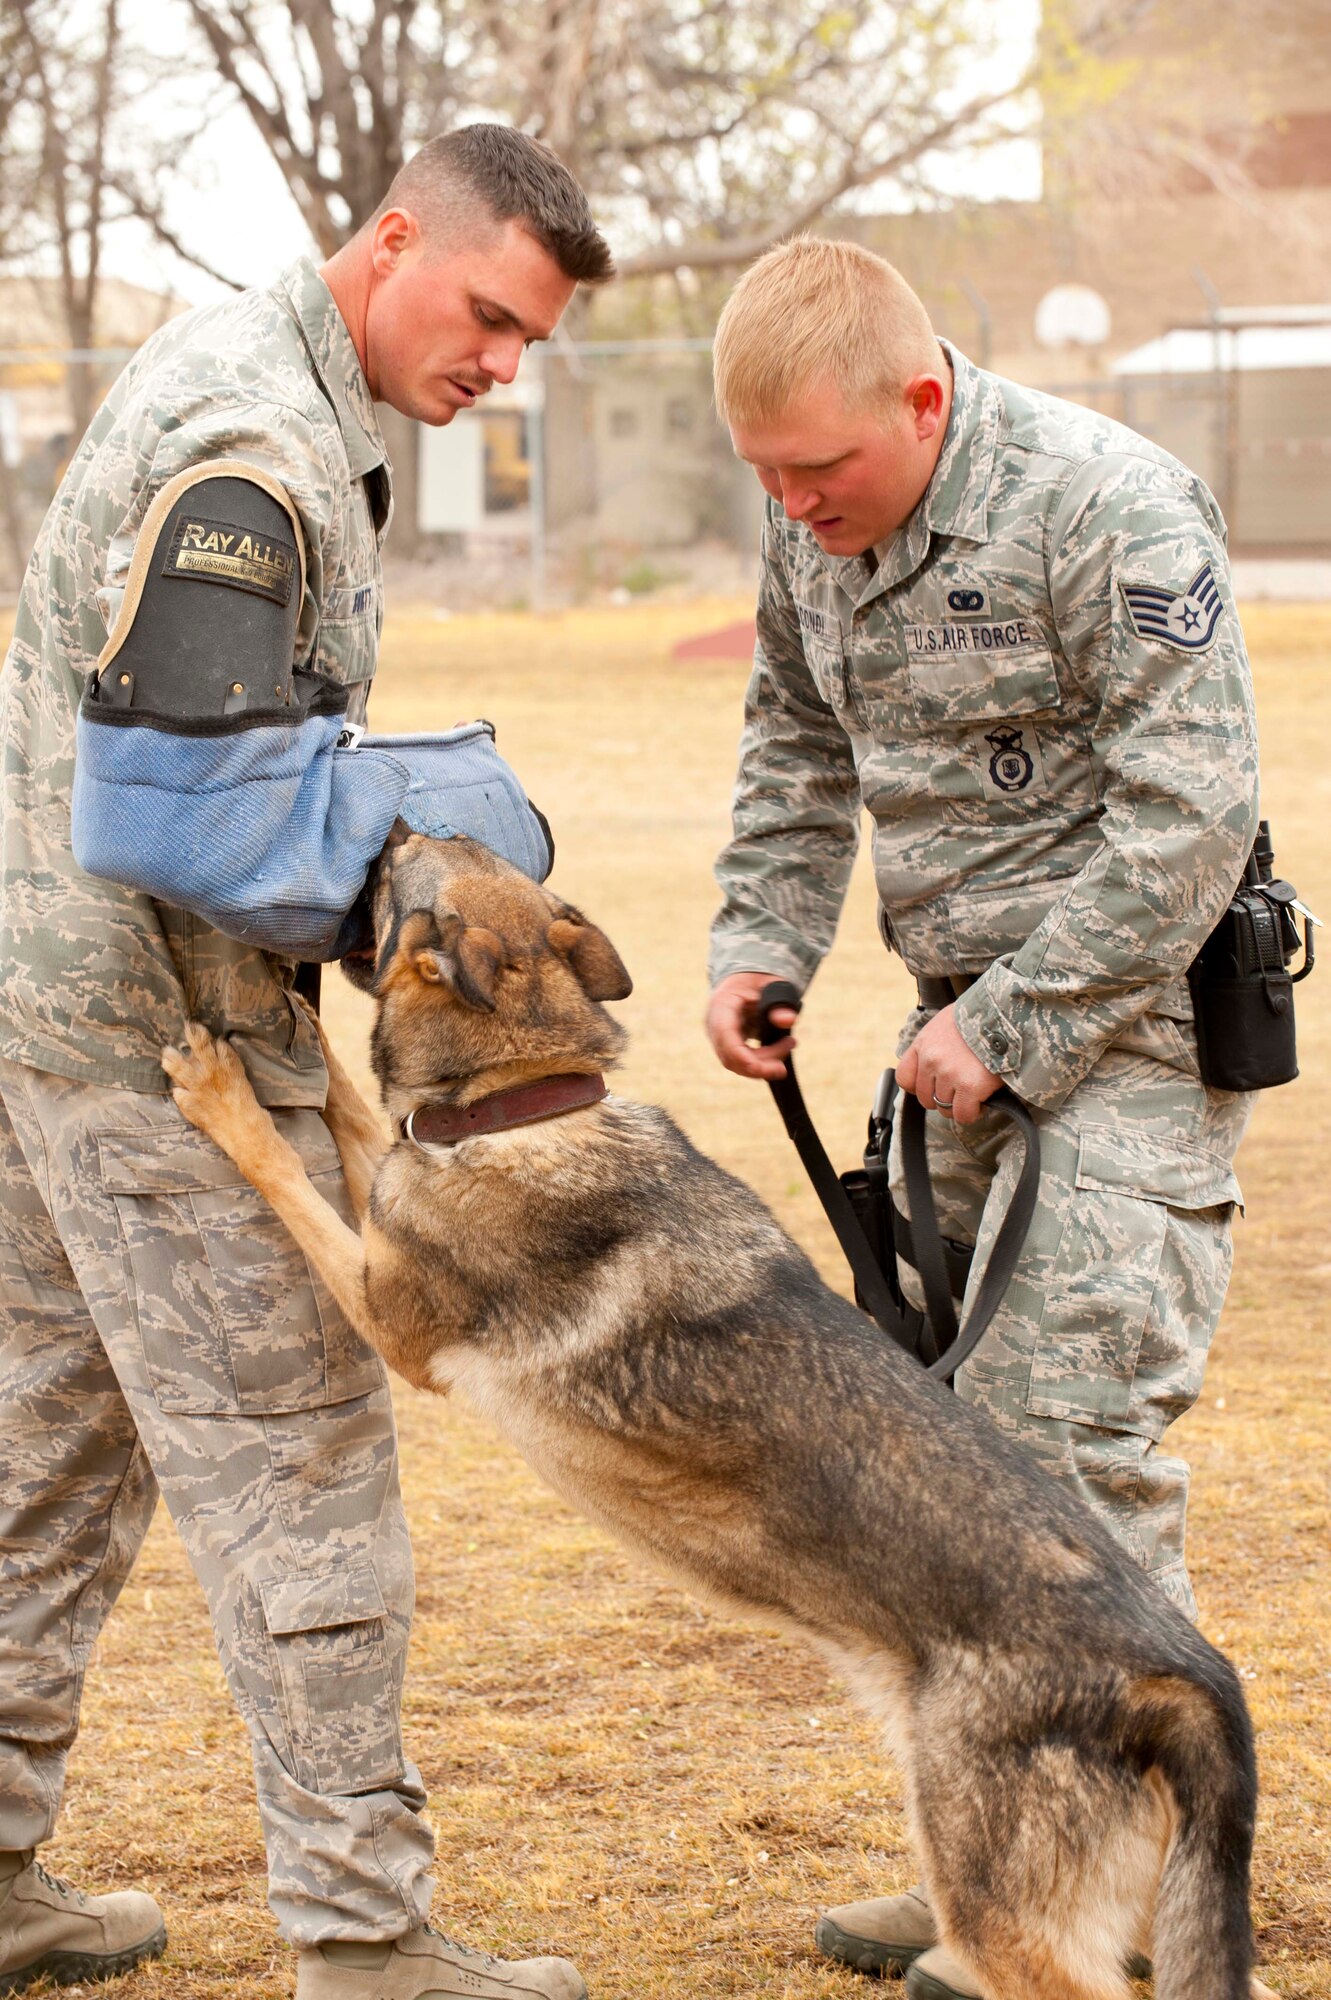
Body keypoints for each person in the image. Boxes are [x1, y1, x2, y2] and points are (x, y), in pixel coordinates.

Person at [0, 125, 611, 2000]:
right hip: (153, 1032)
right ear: (395, 238)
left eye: (532, 344)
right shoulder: (252, 456)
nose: (502, 363)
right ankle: (365, 1941)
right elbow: (182, 822)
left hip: (56, 1014)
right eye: (491, 315)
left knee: (44, 1456)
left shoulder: (281, 404)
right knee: (309, 1476)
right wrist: (467, 798)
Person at [704, 237, 1257, 2000]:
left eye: (822, 472)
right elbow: (794, 746)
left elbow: (1192, 811)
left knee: (1067, 1447)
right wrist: (755, 946)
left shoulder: (1109, 505)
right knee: (951, 1485)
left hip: (1132, 1030)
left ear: (923, 401)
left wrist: (1014, 1027)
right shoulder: (815, 523)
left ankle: (1123, 1908)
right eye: (767, 478)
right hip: (958, 1045)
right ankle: (999, 1876)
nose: (794, 509)